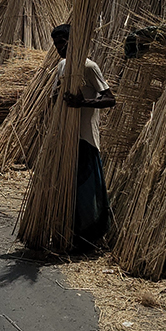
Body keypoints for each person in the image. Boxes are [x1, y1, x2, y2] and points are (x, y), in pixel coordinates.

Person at [50, 23, 115, 253]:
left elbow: (109, 99)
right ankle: (71, 237)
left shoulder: (89, 66)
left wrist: (82, 103)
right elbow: (55, 97)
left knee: (88, 192)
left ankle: (90, 242)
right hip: (66, 139)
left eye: (63, 43)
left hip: (86, 139)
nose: (60, 48)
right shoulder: (61, 66)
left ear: (73, 42)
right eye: (57, 44)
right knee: (68, 190)